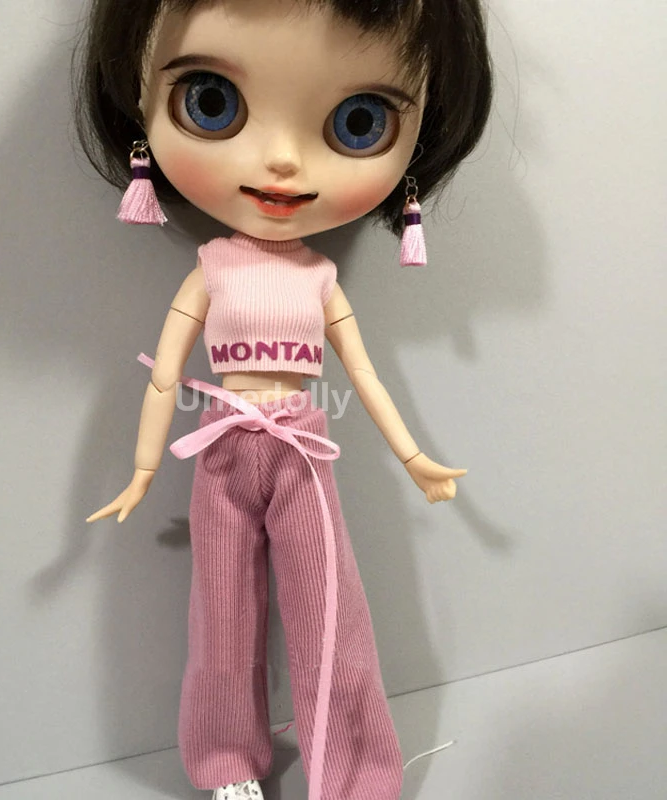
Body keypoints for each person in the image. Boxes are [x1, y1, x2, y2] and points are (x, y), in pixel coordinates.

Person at [75, 1, 492, 797]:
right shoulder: (213, 269)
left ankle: (354, 775)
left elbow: (365, 375)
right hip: (223, 450)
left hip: (302, 450)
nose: (282, 163)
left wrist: (414, 457)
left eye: (359, 121)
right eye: (212, 103)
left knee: (330, 613)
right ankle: (228, 765)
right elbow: (164, 374)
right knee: (221, 617)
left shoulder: (320, 279)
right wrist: (140, 471)